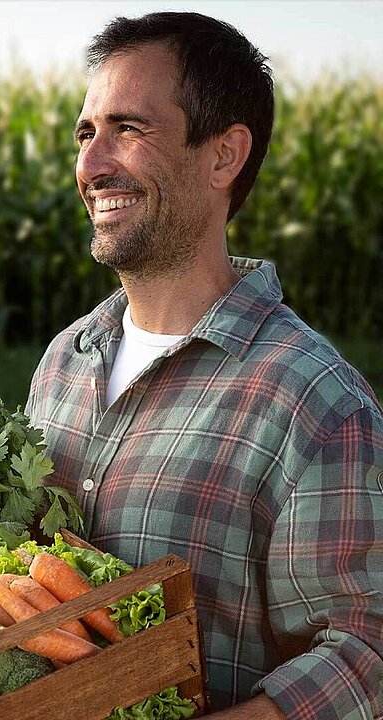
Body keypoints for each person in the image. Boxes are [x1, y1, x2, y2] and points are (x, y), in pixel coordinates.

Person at [25, 12, 383, 720]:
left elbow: (364, 653)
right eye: (85, 132)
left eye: (129, 128)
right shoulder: (64, 360)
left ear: (223, 157)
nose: (93, 165)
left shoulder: (314, 400)